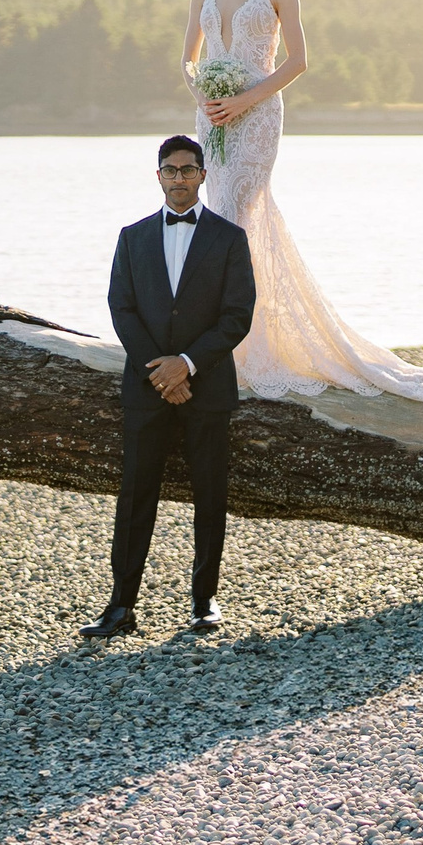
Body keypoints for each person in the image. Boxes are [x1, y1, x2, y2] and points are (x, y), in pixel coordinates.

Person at [186, 0, 423, 404]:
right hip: (213, 116)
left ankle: (231, 343)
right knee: (222, 215)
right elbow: (189, 59)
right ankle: (236, 335)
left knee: (234, 214)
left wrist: (244, 101)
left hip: (257, 116)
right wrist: (208, 98)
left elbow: (297, 61)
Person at [84, 134, 257, 638]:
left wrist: (186, 364)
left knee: (210, 494)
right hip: (146, 389)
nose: (179, 177)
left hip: (208, 387)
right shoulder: (132, 237)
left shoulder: (229, 238)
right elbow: (122, 309)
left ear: (203, 176)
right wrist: (159, 372)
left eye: (188, 169)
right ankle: (120, 607)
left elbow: (237, 316)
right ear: (157, 175)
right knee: (136, 494)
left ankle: (204, 601)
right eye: (170, 169)